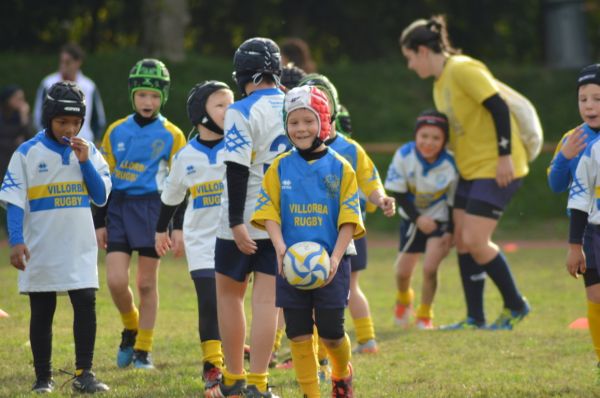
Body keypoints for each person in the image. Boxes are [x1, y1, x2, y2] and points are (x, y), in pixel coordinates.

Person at [400, 16, 530, 330]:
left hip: (497, 166)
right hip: (469, 170)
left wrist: (503, 156)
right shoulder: (439, 84)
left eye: (409, 58)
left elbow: (498, 107)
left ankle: (516, 305)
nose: (410, 66)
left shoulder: (463, 68)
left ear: (422, 50)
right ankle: (475, 318)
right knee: (460, 238)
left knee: (474, 238)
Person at [251, 85, 365, 398]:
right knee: (298, 334)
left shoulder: (341, 167)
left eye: (308, 121)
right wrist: (278, 246)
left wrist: (336, 259)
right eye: (294, 122)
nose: (301, 128)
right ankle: (311, 394)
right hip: (290, 265)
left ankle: (342, 373)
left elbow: (349, 220)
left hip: (330, 263)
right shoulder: (279, 166)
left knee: (331, 334)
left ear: (323, 122)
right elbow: (268, 210)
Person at [0, 81, 111, 393]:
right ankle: (42, 378)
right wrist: (16, 239)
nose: (70, 128)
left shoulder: (88, 152)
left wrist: (86, 162)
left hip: (79, 247)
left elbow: (100, 196)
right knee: (42, 308)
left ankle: (84, 373)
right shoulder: (26, 154)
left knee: (86, 302)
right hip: (41, 248)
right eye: (63, 121)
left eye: (76, 122)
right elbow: (14, 201)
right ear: (48, 118)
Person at [206, 37, 288, 398]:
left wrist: (237, 221)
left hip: (243, 216)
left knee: (229, 296)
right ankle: (259, 383)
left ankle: (235, 380)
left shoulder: (240, 109)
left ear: (242, 74)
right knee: (268, 301)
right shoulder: (294, 102)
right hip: (280, 219)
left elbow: (237, 169)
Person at [94, 58, 186, 369]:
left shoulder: (173, 135)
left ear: (164, 97)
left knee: (146, 283)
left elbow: (179, 185)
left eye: (155, 96)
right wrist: (99, 222)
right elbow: (102, 181)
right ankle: (130, 325)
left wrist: (175, 226)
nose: (148, 102)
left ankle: (143, 350)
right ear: (133, 94)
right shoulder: (115, 131)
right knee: (116, 281)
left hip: (152, 210)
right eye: (143, 95)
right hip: (119, 208)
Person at [298, 73, 395, 353]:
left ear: (332, 108)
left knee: (347, 289)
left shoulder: (349, 149)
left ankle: (366, 341)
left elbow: (370, 180)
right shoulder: (295, 148)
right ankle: (317, 353)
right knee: (309, 294)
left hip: (345, 232)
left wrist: (382, 198)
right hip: (307, 230)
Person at [154, 80, 234, 390]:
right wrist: (162, 229)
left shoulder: (240, 148)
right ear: (201, 114)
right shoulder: (185, 157)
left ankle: (234, 357)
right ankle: (212, 366)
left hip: (235, 239)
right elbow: (171, 198)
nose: (230, 110)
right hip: (201, 241)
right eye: (220, 105)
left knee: (231, 302)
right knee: (209, 300)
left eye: (231, 103)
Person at [385, 110, 457, 330]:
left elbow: (455, 202)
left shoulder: (451, 163)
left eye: (436, 138)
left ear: (444, 140)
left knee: (430, 268)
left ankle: (425, 315)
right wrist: (418, 218)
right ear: (416, 136)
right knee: (403, 271)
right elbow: (396, 191)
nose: (429, 142)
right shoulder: (404, 155)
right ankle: (404, 298)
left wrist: (451, 230)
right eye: (424, 136)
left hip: (439, 222)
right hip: (413, 220)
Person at [561, 64, 600, 372]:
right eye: (584, 99)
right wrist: (575, 246)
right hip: (592, 231)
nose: (589, 105)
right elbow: (579, 197)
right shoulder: (586, 147)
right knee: (597, 296)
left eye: (597, 99)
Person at [33, 43, 106, 143]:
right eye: (61, 62)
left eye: (67, 62)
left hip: (83, 145)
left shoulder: (89, 86)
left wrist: (95, 142)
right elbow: (39, 116)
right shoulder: (48, 84)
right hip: (51, 145)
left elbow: (98, 119)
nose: (63, 66)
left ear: (78, 62)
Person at [0, 84, 34, 235]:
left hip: (16, 165)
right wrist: (15, 140)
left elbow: (30, 140)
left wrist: (24, 119)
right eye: (17, 98)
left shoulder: (21, 116)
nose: (21, 101)